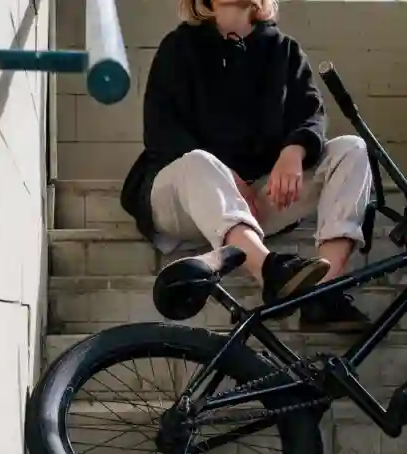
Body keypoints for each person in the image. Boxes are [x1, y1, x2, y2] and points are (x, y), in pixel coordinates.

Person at [119, 0, 374, 328]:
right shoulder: (178, 47)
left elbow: (311, 115)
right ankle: (269, 271)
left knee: (351, 149)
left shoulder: (284, 50)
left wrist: (293, 151)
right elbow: (159, 131)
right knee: (199, 162)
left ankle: (322, 294)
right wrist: (226, 176)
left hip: (255, 201)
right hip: (180, 199)